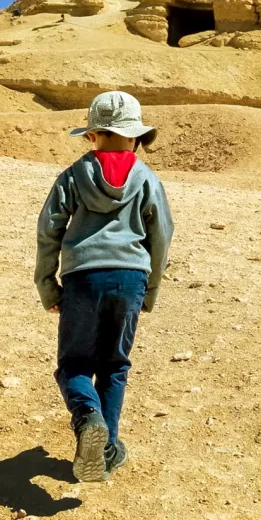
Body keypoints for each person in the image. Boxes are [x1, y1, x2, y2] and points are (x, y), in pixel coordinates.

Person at [34, 91, 174, 482]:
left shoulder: (74, 175)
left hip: (82, 279)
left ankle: (87, 418)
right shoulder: (147, 178)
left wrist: (48, 285)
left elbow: (49, 230)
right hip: (131, 279)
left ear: (92, 135)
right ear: (135, 138)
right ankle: (107, 450)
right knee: (114, 366)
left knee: (75, 364)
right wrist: (151, 290)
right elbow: (160, 236)